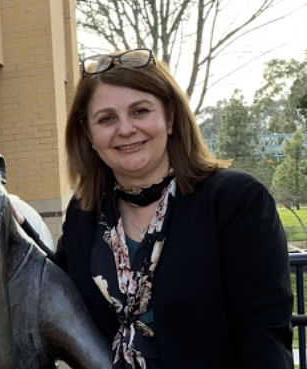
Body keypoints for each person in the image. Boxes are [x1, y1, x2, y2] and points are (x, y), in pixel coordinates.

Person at [17, 48, 293, 368]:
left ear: (170, 117)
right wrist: (9, 220)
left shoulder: (235, 201)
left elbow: (263, 341)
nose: (125, 129)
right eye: (106, 118)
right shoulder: (85, 215)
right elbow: (49, 289)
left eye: (140, 111)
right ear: (89, 135)